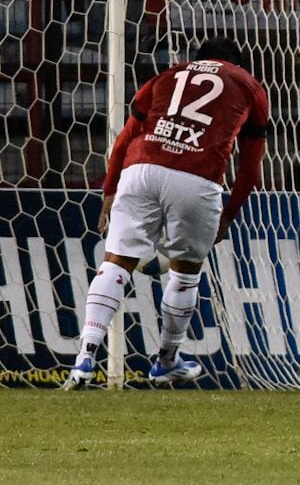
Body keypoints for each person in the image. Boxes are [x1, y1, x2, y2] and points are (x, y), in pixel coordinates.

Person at [66, 38, 269, 389]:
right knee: (186, 272)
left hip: (140, 167)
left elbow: (124, 139)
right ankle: (165, 361)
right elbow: (250, 169)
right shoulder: (250, 86)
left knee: (115, 263)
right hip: (197, 175)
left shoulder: (166, 76)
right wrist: (228, 215)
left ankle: (84, 359)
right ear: (237, 64)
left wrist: (110, 191)